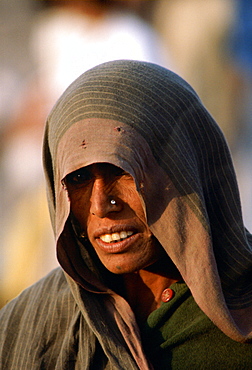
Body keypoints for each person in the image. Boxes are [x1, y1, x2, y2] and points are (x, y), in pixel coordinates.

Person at [0, 60, 251, 369]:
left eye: (122, 170)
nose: (100, 205)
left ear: (184, 170)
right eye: (78, 179)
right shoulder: (30, 323)